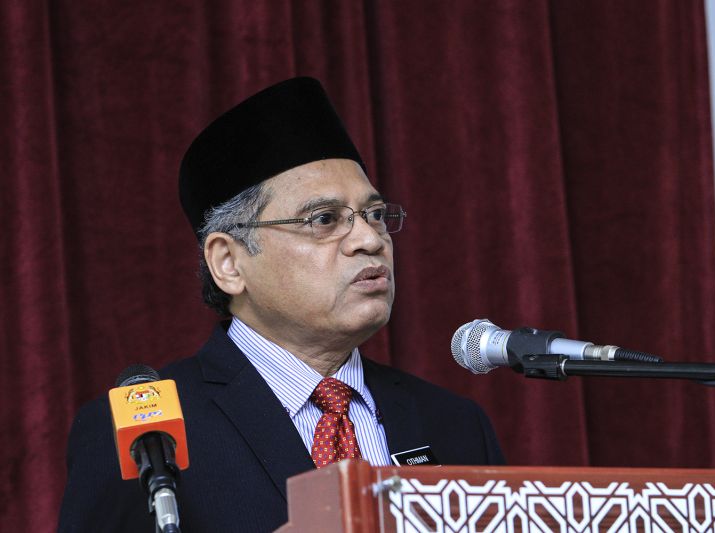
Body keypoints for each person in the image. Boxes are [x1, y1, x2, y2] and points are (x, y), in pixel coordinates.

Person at [58, 77, 504, 532]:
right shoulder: (148, 435)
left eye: (374, 215)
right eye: (325, 219)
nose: (371, 240)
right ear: (229, 262)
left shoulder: (455, 425)